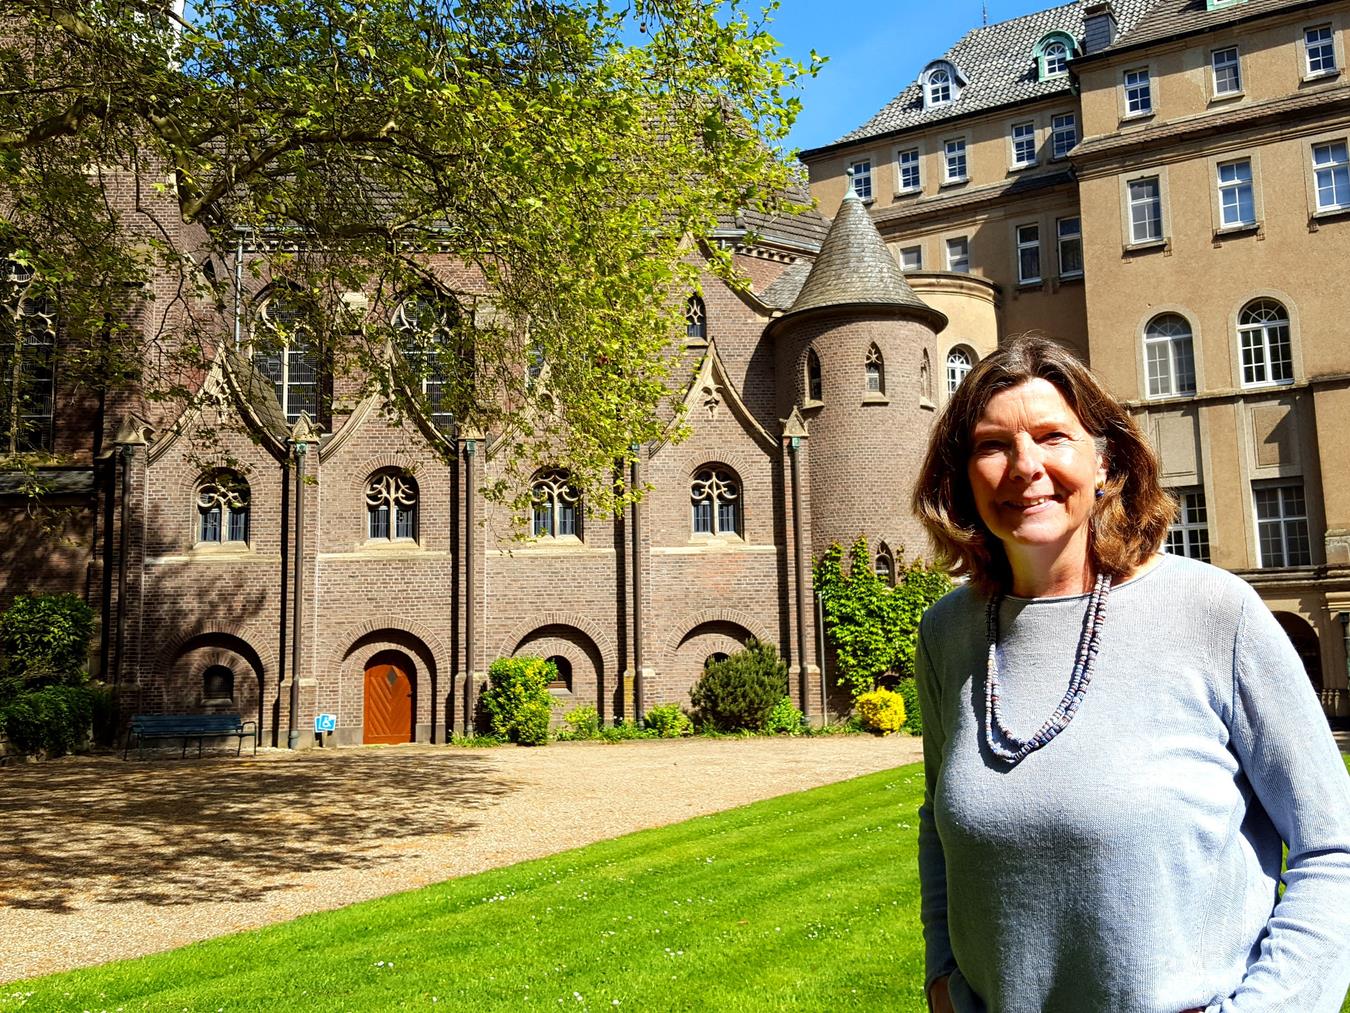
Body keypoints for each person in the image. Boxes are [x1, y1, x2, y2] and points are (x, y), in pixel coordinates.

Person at [909, 335, 1350, 1013]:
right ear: (962, 475)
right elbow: (939, 825)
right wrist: (943, 977)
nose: (1024, 466)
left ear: (1102, 457)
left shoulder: (1212, 613)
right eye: (992, 445)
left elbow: (1335, 847)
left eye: (1053, 436)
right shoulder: (948, 635)